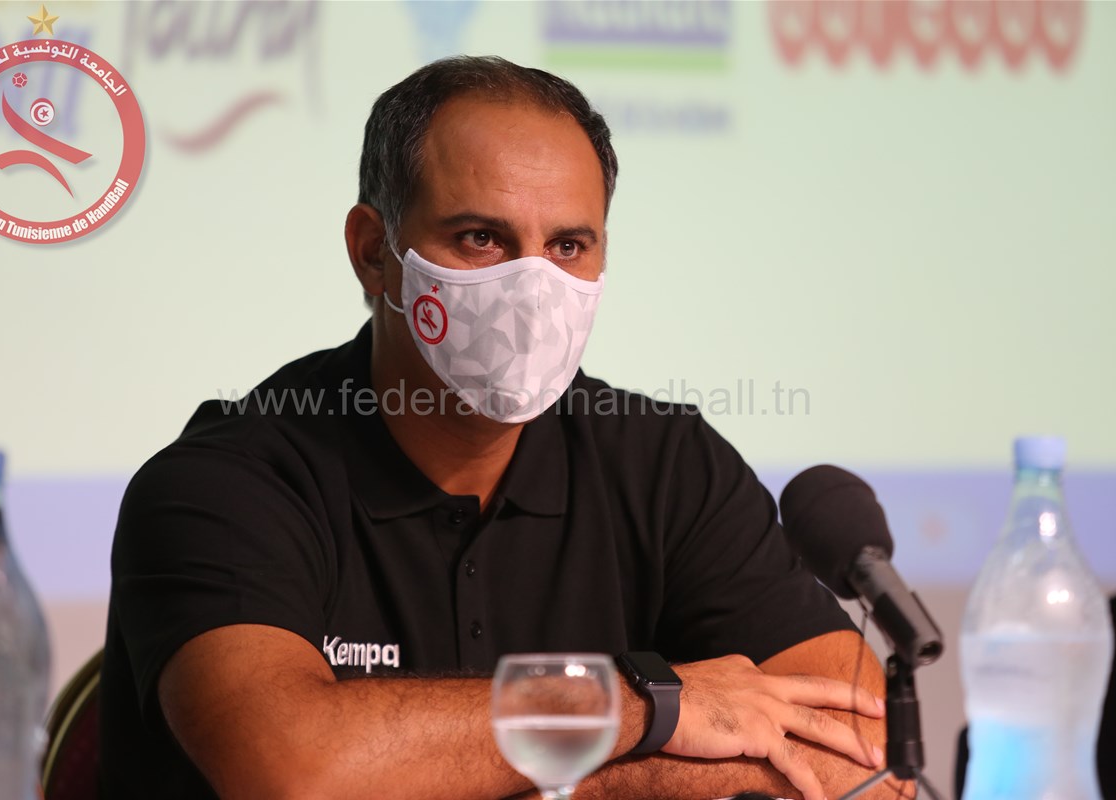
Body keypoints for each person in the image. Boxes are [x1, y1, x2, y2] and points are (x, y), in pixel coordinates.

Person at [99, 56, 903, 800]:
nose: (533, 287)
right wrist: (639, 706)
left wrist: (560, 780)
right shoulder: (223, 484)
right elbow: (293, 770)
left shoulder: (665, 466)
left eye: (568, 245)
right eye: (481, 238)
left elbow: (868, 753)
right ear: (374, 252)